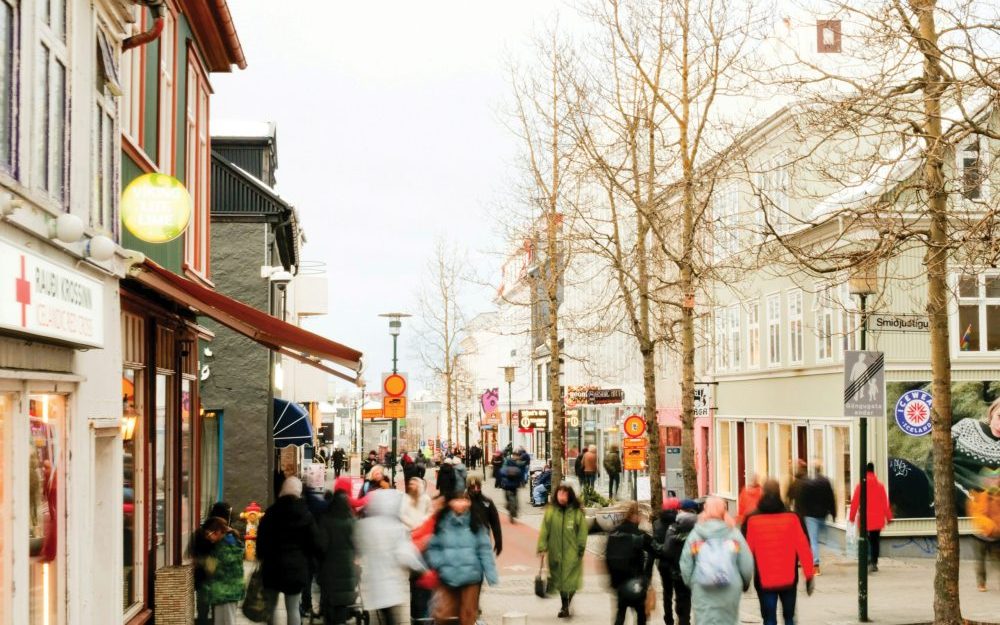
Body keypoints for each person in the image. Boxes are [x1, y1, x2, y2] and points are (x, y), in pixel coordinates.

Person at [743, 481, 815, 625]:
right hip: (788, 578)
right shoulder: (793, 517)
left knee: (769, 619)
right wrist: (809, 576)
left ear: (762, 493)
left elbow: (745, 553)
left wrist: (745, 579)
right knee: (789, 617)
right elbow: (804, 549)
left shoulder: (751, 519)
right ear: (779, 493)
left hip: (764, 580)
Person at [425, 492, 500, 625]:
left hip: (471, 577)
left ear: (469, 503)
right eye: (456, 500)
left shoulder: (476, 522)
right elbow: (433, 547)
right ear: (450, 502)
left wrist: (491, 574)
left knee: (468, 616)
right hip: (448, 576)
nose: (460, 503)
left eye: (464, 500)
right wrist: (440, 563)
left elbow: (484, 549)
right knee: (443, 615)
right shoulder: (442, 522)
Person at [256, 477, 320, 625]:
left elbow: (261, 539)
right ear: (299, 492)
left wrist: (261, 556)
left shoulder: (271, 513)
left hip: (272, 567)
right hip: (296, 569)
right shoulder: (306, 515)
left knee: (270, 608)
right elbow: (315, 542)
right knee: (293, 609)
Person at [680, 498, 754, 625]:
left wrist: (691, 582)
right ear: (724, 510)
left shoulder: (696, 534)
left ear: (705, 510)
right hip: (730, 587)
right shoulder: (733, 533)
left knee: (704, 620)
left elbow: (685, 563)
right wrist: (745, 582)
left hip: (702, 588)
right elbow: (746, 563)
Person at [357, 489, 426, 625]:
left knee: (383, 617)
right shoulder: (395, 527)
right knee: (392, 619)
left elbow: (359, 547)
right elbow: (404, 553)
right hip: (391, 586)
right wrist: (421, 568)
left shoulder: (366, 526)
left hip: (374, 584)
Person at [538, 485, 589, 618]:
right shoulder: (551, 512)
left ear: (569, 495)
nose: (561, 497)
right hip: (555, 553)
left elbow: (582, 533)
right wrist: (542, 547)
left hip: (572, 553)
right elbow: (544, 530)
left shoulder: (577, 513)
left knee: (571, 581)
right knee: (560, 581)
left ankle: (566, 605)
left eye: (564, 494)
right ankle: (565, 606)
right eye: (559, 493)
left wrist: (580, 549)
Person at [316, 484, 358, 625]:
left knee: (330, 601)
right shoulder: (352, 522)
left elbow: (322, 545)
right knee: (343, 602)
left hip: (329, 568)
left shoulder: (326, 520)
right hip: (348, 567)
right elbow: (358, 545)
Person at [606, 502, 653, 625]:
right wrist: (646, 578)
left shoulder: (614, 533)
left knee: (620, 613)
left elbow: (607, 558)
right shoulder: (639, 535)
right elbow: (656, 550)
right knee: (641, 614)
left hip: (619, 582)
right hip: (636, 581)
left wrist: (613, 581)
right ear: (634, 516)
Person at [191, 502, 236, 625]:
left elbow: (195, 555)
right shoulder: (224, 534)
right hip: (217, 580)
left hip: (202, 578)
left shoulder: (201, 532)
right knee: (218, 612)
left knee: (202, 611)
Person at [197, 516, 245, 625]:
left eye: (208, 534)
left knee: (228, 621)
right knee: (220, 621)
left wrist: (202, 562)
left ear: (218, 531)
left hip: (227, 591)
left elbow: (218, 566)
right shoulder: (225, 543)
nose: (208, 538)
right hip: (223, 590)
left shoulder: (227, 545)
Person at [657, 499, 697, 625]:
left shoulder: (672, 527)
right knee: (689, 598)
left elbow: (667, 550)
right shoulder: (700, 526)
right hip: (696, 569)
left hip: (674, 567)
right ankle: (686, 619)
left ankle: (674, 619)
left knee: (675, 595)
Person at [849, 462, 892, 572]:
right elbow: (885, 503)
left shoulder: (860, 486)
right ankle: (874, 562)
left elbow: (854, 502)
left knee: (866, 539)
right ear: (873, 471)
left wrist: (852, 517)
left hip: (865, 519)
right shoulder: (880, 486)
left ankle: (867, 560)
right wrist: (889, 517)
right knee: (875, 541)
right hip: (877, 519)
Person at [795, 463, 837, 575]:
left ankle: (815, 565)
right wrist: (834, 513)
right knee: (819, 537)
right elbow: (831, 498)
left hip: (810, 516)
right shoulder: (825, 482)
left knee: (813, 540)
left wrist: (802, 513)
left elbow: (802, 499)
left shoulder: (807, 483)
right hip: (822, 514)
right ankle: (832, 546)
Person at [968, 468, 1000, 591]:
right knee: (980, 561)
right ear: (985, 481)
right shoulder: (978, 495)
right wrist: (992, 527)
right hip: (980, 536)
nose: (994, 481)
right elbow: (979, 515)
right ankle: (981, 583)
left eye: (997, 479)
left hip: (996, 536)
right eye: (991, 479)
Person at [467, 475, 503, 555]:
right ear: (468, 487)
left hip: (484, 538)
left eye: (478, 487)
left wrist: (498, 541)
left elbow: (495, 523)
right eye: (473, 487)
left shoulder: (487, 501)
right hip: (466, 540)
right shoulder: (462, 502)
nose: (476, 489)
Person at [500, 452, 526, 521]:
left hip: (509, 485)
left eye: (516, 456)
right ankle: (513, 510)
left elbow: (501, 473)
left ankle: (510, 507)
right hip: (512, 485)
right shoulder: (517, 466)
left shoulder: (507, 466)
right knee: (514, 499)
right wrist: (521, 483)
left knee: (510, 499)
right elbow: (521, 475)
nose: (515, 457)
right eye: (515, 455)